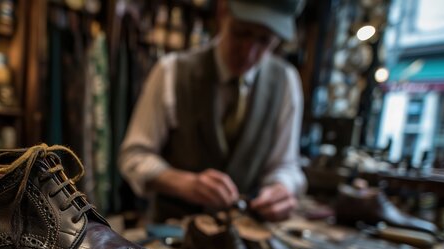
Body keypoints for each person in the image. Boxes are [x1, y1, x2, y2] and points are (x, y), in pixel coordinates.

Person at [119, 0, 307, 222]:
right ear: (222, 11)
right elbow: (133, 156)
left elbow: (286, 165)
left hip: (242, 237)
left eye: (264, 40)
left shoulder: (286, 82)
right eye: (241, 33)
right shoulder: (171, 71)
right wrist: (183, 183)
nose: (249, 52)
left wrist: (282, 187)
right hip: (172, 234)